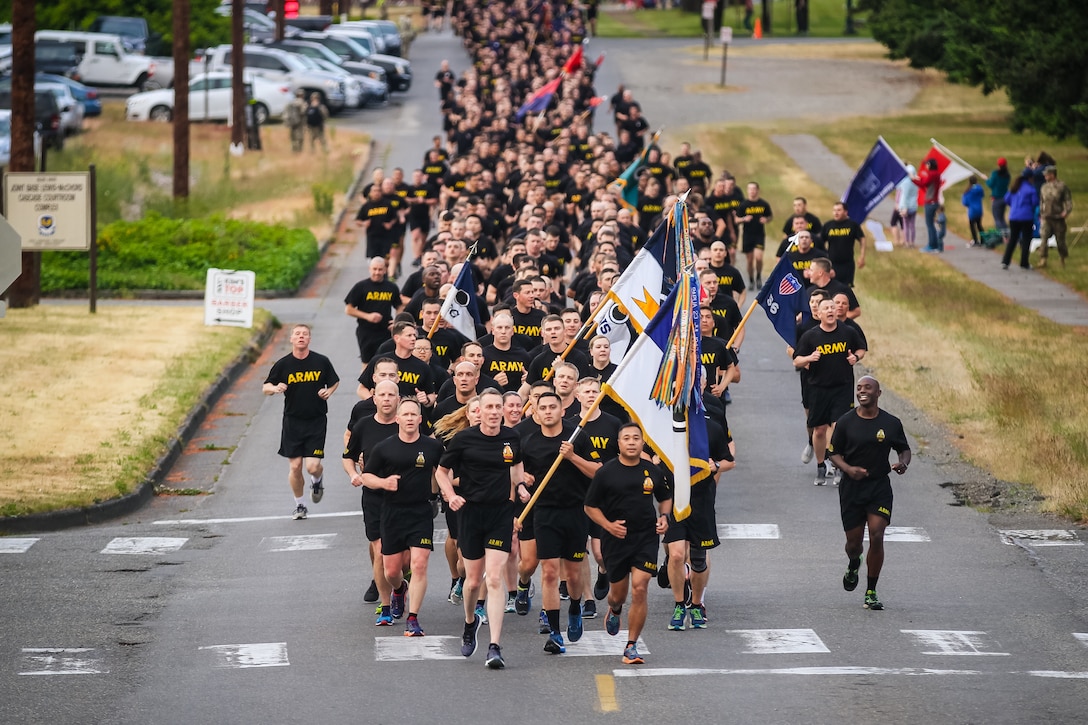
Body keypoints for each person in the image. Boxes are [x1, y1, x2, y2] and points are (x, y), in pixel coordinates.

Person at [435, 389, 525, 670]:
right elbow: (441, 472)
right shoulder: (464, 440)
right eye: (489, 407)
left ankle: (494, 646)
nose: (495, 411)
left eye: (499, 406)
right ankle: (470, 622)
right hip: (471, 513)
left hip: (500, 511)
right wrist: (451, 495)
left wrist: (520, 485)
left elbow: (517, 464)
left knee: (495, 577)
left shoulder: (511, 438)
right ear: (479, 411)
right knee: (473, 582)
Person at [516, 391, 600, 654]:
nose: (549, 411)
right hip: (544, 513)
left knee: (574, 575)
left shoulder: (578, 436)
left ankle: (575, 607)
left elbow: (598, 471)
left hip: (575, 512)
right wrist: (524, 480)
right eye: (544, 408)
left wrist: (573, 457)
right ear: (536, 413)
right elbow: (519, 472)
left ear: (563, 410)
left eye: (554, 407)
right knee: (550, 572)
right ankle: (554, 632)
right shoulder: (528, 442)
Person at [584, 423, 672, 665]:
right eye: (626, 438)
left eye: (636, 438)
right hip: (616, 539)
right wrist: (608, 526)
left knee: (641, 587)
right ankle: (614, 609)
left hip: (645, 537)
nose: (632, 442)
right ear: (619, 443)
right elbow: (590, 507)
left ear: (643, 443)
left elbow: (665, 498)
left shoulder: (652, 471)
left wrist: (665, 518)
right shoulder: (606, 473)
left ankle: (631, 645)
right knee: (618, 595)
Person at [360, 397, 446, 637]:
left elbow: (444, 473)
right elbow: (367, 477)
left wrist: (449, 493)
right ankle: (398, 590)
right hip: (392, 513)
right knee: (391, 571)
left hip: (420, 512)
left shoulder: (432, 447)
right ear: (397, 419)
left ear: (420, 419)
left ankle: (413, 618)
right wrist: (383, 483)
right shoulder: (385, 448)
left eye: (413, 415)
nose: (409, 419)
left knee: (419, 564)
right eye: (405, 415)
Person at [827, 376, 911, 611]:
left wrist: (903, 463)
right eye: (859, 388)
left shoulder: (891, 423)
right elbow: (833, 452)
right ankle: (854, 563)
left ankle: (871, 591)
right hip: (852, 489)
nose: (862, 391)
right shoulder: (845, 422)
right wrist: (848, 469)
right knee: (854, 544)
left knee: (876, 534)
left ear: (878, 393)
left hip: (878, 487)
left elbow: (904, 448)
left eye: (868, 388)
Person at [262, 324, 339, 520]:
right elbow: (266, 387)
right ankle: (300, 506)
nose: (301, 337)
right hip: (293, 421)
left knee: (312, 466)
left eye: (305, 334)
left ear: (309, 339)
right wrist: (275, 387)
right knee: (295, 467)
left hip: (316, 420)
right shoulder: (283, 364)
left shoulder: (321, 361)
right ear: (291, 339)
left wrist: (328, 392)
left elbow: (334, 381)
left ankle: (317, 479)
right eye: (297, 334)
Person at [343, 379, 400, 622]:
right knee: (380, 552)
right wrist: (354, 474)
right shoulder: (364, 426)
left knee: (401, 560)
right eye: (382, 395)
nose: (386, 399)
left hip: (405, 497)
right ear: (374, 398)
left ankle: (399, 587)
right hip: (374, 497)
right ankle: (386, 606)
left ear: (398, 398)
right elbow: (348, 456)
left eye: (391, 395)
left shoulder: (407, 423)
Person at [792, 298, 865, 486]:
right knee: (819, 430)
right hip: (818, 388)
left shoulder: (847, 331)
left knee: (838, 426)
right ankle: (820, 465)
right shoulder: (810, 336)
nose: (831, 310)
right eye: (826, 308)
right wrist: (810, 357)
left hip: (842, 386)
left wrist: (855, 357)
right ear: (819, 313)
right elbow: (796, 361)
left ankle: (837, 465)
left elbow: (861, 348)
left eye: (833, 307)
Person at [344, 257, 401, 364]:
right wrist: (368, 316)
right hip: (366, 331)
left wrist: (397, 321)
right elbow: (348, 309)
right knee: (367, 363)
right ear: (369, 269)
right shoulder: (361, 286)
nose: (377, 272)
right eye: (374, 269)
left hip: (385, 331)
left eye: (380, 269)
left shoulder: (392, 287)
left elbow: (399, 306)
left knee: (386, 362)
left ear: (385, 270)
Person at [736, 181, 772, 290]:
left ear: (757, 190)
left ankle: (759, 276)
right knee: (750, 260)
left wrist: (766, 219)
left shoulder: (763, 204)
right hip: (747, 235)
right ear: (747, 191)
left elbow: (769, 216)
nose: (752, 191)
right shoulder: (743, 205)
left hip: (759, 235)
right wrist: (743, 219)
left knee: (759, 257)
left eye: (754, 189)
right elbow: (736, 219)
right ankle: (751, 279)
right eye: (750, 189)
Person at [820, 202, 866, 286]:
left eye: (839, 210)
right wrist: (824, 255)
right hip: (831, 263)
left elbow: (862, 238)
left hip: (847, 264)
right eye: (834, 210)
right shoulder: (828, 225)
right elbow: (820, 242)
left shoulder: (852, 225)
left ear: (845, 212)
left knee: (845, 288)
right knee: (831, 286)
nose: (836, 213)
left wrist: (862, 256)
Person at [1002, 168, 1039, 270]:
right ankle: (1024, 262)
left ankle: (1005, 261)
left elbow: (1006, 199)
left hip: (1013, 216)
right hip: (1026, 217)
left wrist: (1014, 206)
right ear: (1030, 178)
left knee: (1013, 239)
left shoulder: (1014, 187)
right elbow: (1035, 202)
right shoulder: (1031, 189)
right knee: (1026, 239)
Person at [1038, 165, 1073, 268]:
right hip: (1046, 217)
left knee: (1060, 240)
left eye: (1047, 175)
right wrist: (1041, 214)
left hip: (1058, 217)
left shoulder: (1062, 186)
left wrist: (1066, 211)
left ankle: (1063, 258)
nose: (1045, 176)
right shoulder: (1044, 187)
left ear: (1052, 175)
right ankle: (1043, 259)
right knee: (1044, 238)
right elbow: (1041, 201)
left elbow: (1068, 201)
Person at [913, 159, 942, 252]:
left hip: (930, 202)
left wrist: (912, 179)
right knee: (932, 225)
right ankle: (935, 245)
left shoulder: (931, 174)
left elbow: (923, 183)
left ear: (930, 165)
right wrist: (917, 179)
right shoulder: (937, 174)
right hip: (935, 201)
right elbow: (925, 182)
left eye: (927, 164)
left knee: (930, 225)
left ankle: (932, 245)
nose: (926, 166)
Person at [894, 164, 919, 248]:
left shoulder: (905, 182)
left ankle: (907, 242)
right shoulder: (916, 181)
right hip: (914, 205)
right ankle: (912, 242)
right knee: (912, 225)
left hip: (905, 206)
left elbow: (904, 196)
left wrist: (904, 207)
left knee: (905, 225)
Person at [986, 158, 1010, 240]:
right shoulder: (1007, 175)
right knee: (1002, 218)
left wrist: (986, 179)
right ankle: (1007, 234)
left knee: (997, 219)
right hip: (1004, 198)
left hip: (996, 198)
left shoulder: (995, 174)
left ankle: (1001, 236)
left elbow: (991, 184)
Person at [961, 176, 985, 247]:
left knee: (972, 225)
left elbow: (965, 202)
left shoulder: (968, 191)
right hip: (979, 209)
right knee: (979, 225)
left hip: (972, 210)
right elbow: (982, 195)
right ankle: (983, 240)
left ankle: (975, 240)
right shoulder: (979, 188)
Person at [284, 88, 306, 153]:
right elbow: (303, 112)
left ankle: (294, 150)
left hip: (292, 122)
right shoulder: (302, 102)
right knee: (300, 137)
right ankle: (299, 151)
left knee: (293, 137)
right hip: (300, 123)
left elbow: (286, 113)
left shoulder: (291, 103)